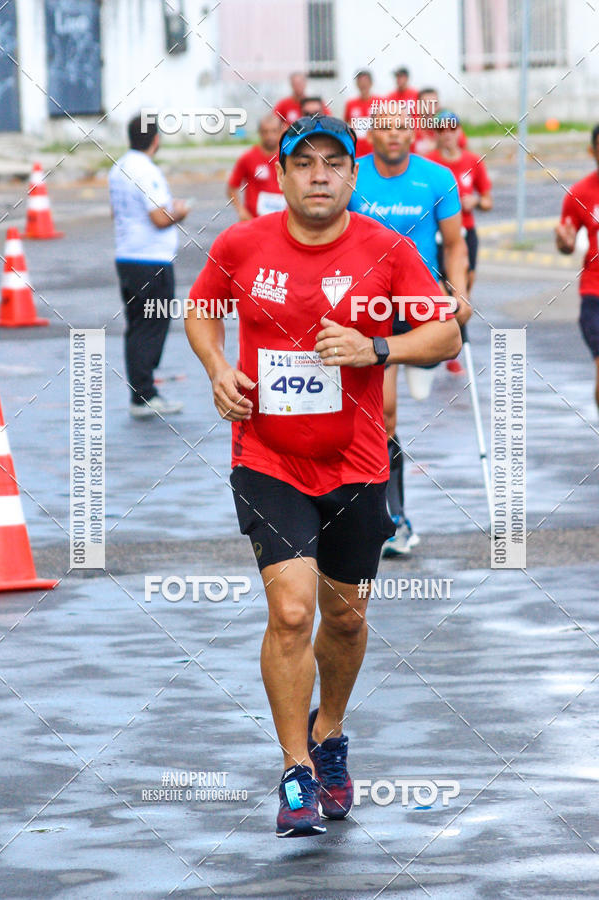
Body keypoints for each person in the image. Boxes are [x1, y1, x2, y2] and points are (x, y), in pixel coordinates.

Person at [185, 115, 461, 838]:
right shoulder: (242, 244)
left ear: (352, 176)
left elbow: (445, 333)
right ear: (279, 175)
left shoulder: (388, 250)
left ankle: (329, 733)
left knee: (344, 617)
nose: (318, 175)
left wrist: (378, 346)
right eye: (302, 162)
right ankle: (295, 769)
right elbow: (202, 312)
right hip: (268, 458)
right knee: (293, 611)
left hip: (359, 465)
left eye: (333, 163)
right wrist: (218, 370)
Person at [349, 111, 469, 555]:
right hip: (370, 306)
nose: (394, 135)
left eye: (402, 127)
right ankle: (394, 519)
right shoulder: (354, 175)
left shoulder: (437, 177)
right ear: (371, 133)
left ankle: (426, 358)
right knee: (386, 416)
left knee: (413, 378)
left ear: (412, 133)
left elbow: (455, 244)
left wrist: (459, 292)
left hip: (421, 303)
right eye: (384, 127)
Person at [108, 114, 189, 418]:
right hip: (151, 261)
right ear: (156, 139)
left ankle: (140, 391)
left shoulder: (118, 168)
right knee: (152, 325)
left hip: (127, 256)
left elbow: (117, 213)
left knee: (137, 325)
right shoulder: (146, 170)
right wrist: (179, 212)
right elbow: (158, 218)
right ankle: (144, 395)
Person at [556, 123, 599, 412]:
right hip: (595, 294)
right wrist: (564, 242)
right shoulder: (580, 192)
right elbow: (566, 244)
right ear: (592, 151)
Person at [427, 110, 493, 297]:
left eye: (452, 128)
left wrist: (476, 202)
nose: (447, 133)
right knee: (441, 288)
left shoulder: (473, 161)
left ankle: (460, 322)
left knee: (465, 284)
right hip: (438, 233)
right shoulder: (428, 162)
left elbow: (488, 201)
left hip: (465, 231)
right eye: (441, 129)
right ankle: (448, 323)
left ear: (459, 131)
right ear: (435, 134)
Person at [227, 115, 285, 220]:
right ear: (259, 132)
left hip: (283, 221)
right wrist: (241, 210)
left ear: (281, 131)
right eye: (265, 132)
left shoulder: (288, 157)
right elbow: (231, 188)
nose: (270, 136)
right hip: (255, 221)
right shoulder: (248, 157)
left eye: (274, 131)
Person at [343, 69, 380, 158]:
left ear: (371, 83)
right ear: (357, 84)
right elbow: (346, 125)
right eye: (360, 82)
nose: (363, 85)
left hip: (375, 150)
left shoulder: (379, 102)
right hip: (356, 151)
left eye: (365, 81)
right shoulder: (351, 104)